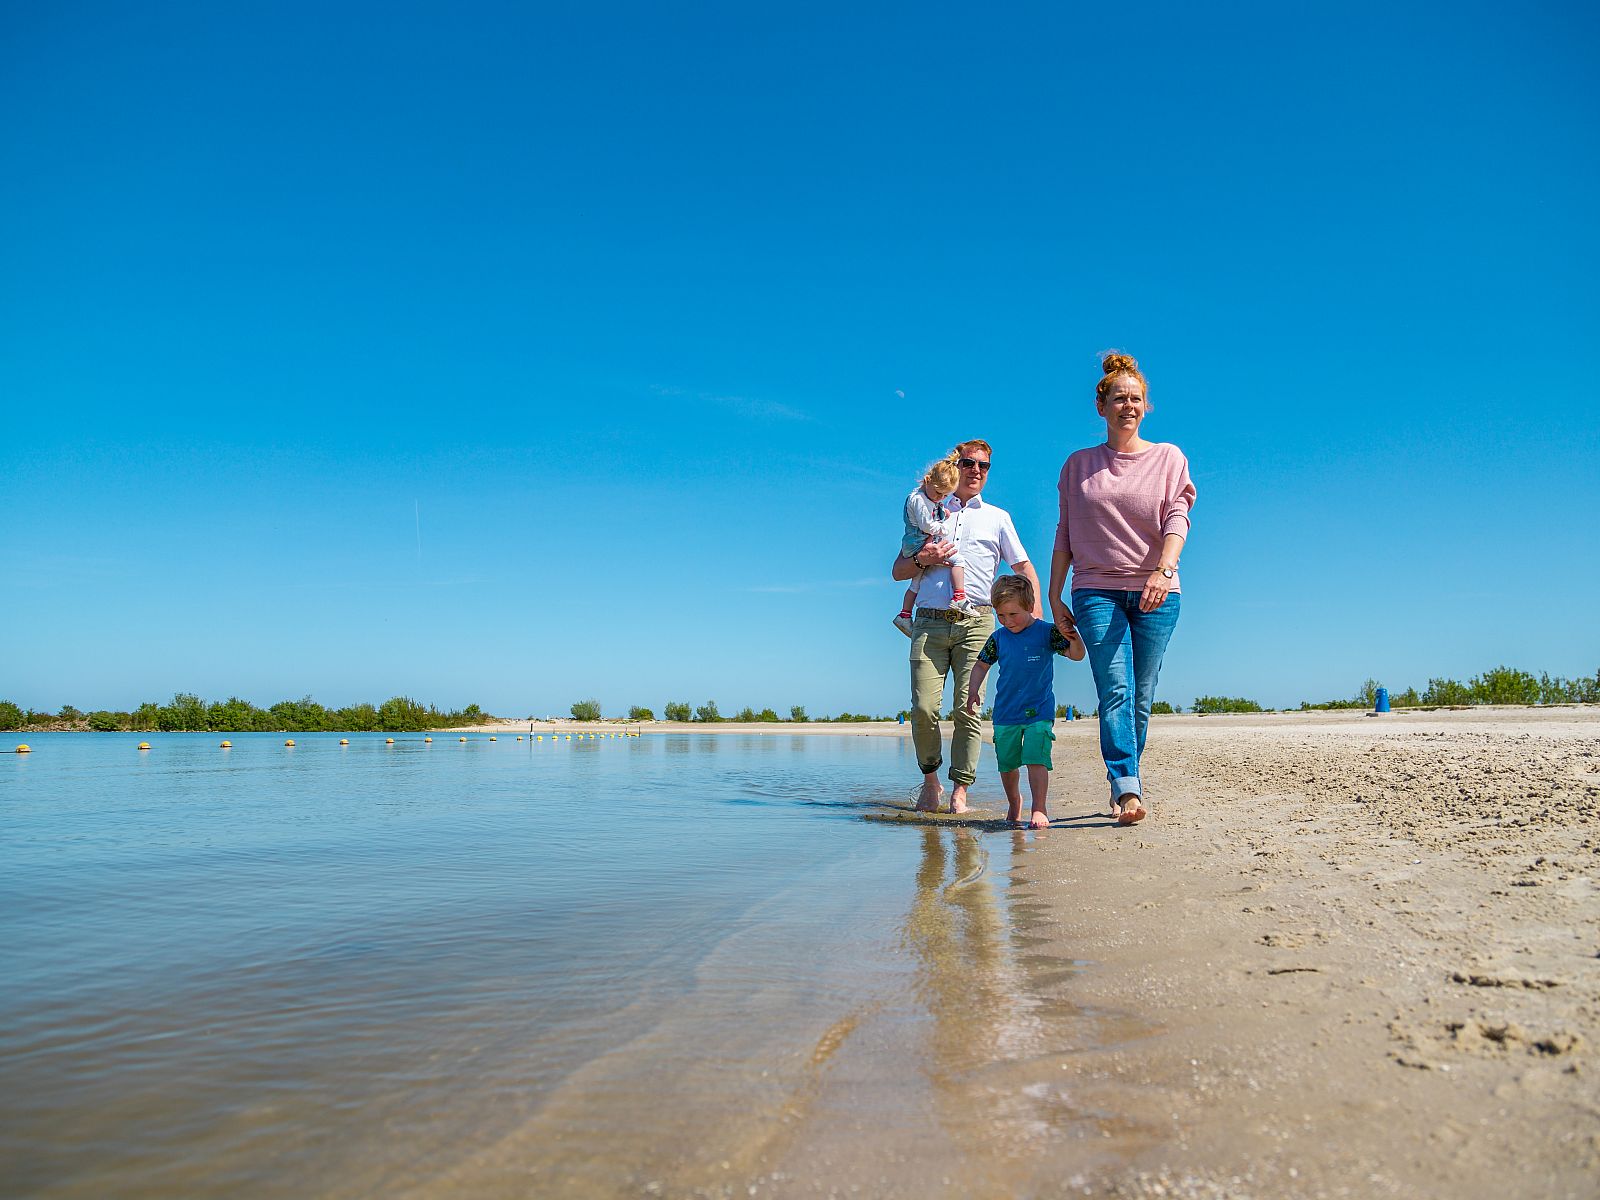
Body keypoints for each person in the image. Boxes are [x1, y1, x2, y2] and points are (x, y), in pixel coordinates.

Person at [1048, 352, 1196, 825]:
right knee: (1115, 689)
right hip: (1094, 589)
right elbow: (1065, 532)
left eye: (1136, 398)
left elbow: (1178, 515)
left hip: (1158, 590)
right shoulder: (1078, 465)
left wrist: (1164, 570)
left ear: (1146, 406)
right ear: (1102, 407)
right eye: (1119, 398)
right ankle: (1127, 789)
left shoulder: (1169, 457)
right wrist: (1054, 594)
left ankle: (1127, 777)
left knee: (1143, 692)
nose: (1128, 405)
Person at [891, 439, 1041, 814]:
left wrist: (1035, 614)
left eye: (984, 466)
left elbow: (1022, 567)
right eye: (968, 463)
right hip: (927, 623)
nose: (976, 471)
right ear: (953, 466)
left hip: (976, 621)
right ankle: (931, 781)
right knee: (924, 709)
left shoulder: (997, 517)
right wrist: (922, 558)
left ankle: (961, 791)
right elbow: (898, 571)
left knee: (968, 708)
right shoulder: (926, 510)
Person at [964, 574, 1084, 829]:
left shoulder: (1047, 632)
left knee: (1035, 758)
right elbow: (981, 665)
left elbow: (1077, 656)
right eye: (1001, 616)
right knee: (1007, 764)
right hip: (1006, 713)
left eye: (1013, 614)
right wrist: (972, 690)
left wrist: (1073, 636)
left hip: (1039, 711)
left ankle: (1039, 808)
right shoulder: (998, 638)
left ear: (1030, 607)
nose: (1007, 621)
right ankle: (1014, 802)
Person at [894, 452, 977, 636]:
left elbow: (933, 510)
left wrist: (942, 512)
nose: (940, 498)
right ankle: (959, 597)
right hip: (919, 543)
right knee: (958, 561)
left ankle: (905, 615)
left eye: (945, 495)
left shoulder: (928, 497)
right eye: (939, 493)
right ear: (927, 479)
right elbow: (926, 525)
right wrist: (943, 528)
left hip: (917, 543)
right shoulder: (917, 499)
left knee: (916, 584)